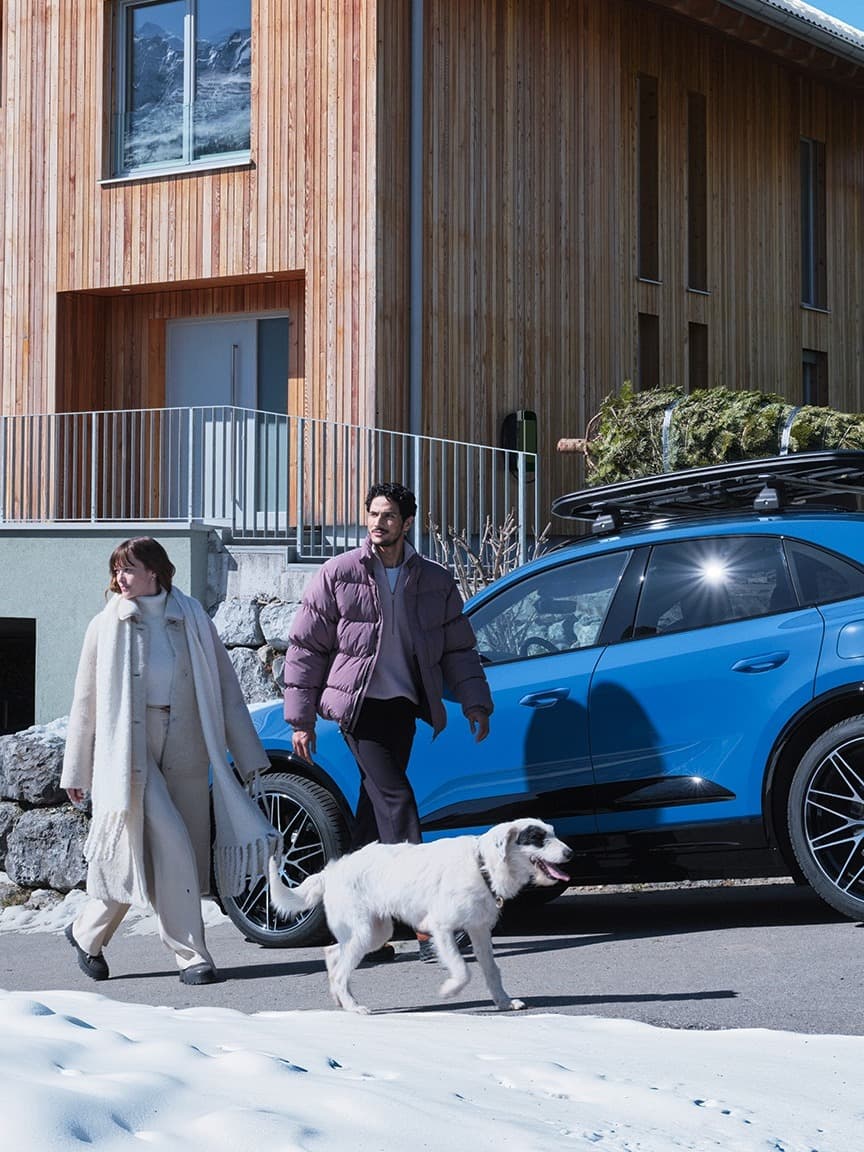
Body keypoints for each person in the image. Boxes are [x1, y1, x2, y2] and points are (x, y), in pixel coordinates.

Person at [281, 481, 493, 962]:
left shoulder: (434, 579)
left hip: (403, 705)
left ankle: (361, 929)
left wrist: (474, 702)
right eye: (373, 514)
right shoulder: (339, 573)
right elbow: (306, 648)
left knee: (371, 817)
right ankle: (427, 925)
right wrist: (301, 720)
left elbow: (458, 646)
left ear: (407, 522)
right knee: (397, 801)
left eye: (389, 516)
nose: (379, 523)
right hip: (359, 707)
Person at [61, 537, 280, 985]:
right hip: (130, 750)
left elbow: (225, 689)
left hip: (186, 743)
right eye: (117, 570)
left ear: (154, 572)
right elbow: (86, 704)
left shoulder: (192, 616)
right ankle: (191, 955)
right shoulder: (107, 624)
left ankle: (86, 933)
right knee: (174, 843)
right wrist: (77, 770)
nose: (120, 578)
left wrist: (248, 754)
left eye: (129, 568)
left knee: (143, 852)